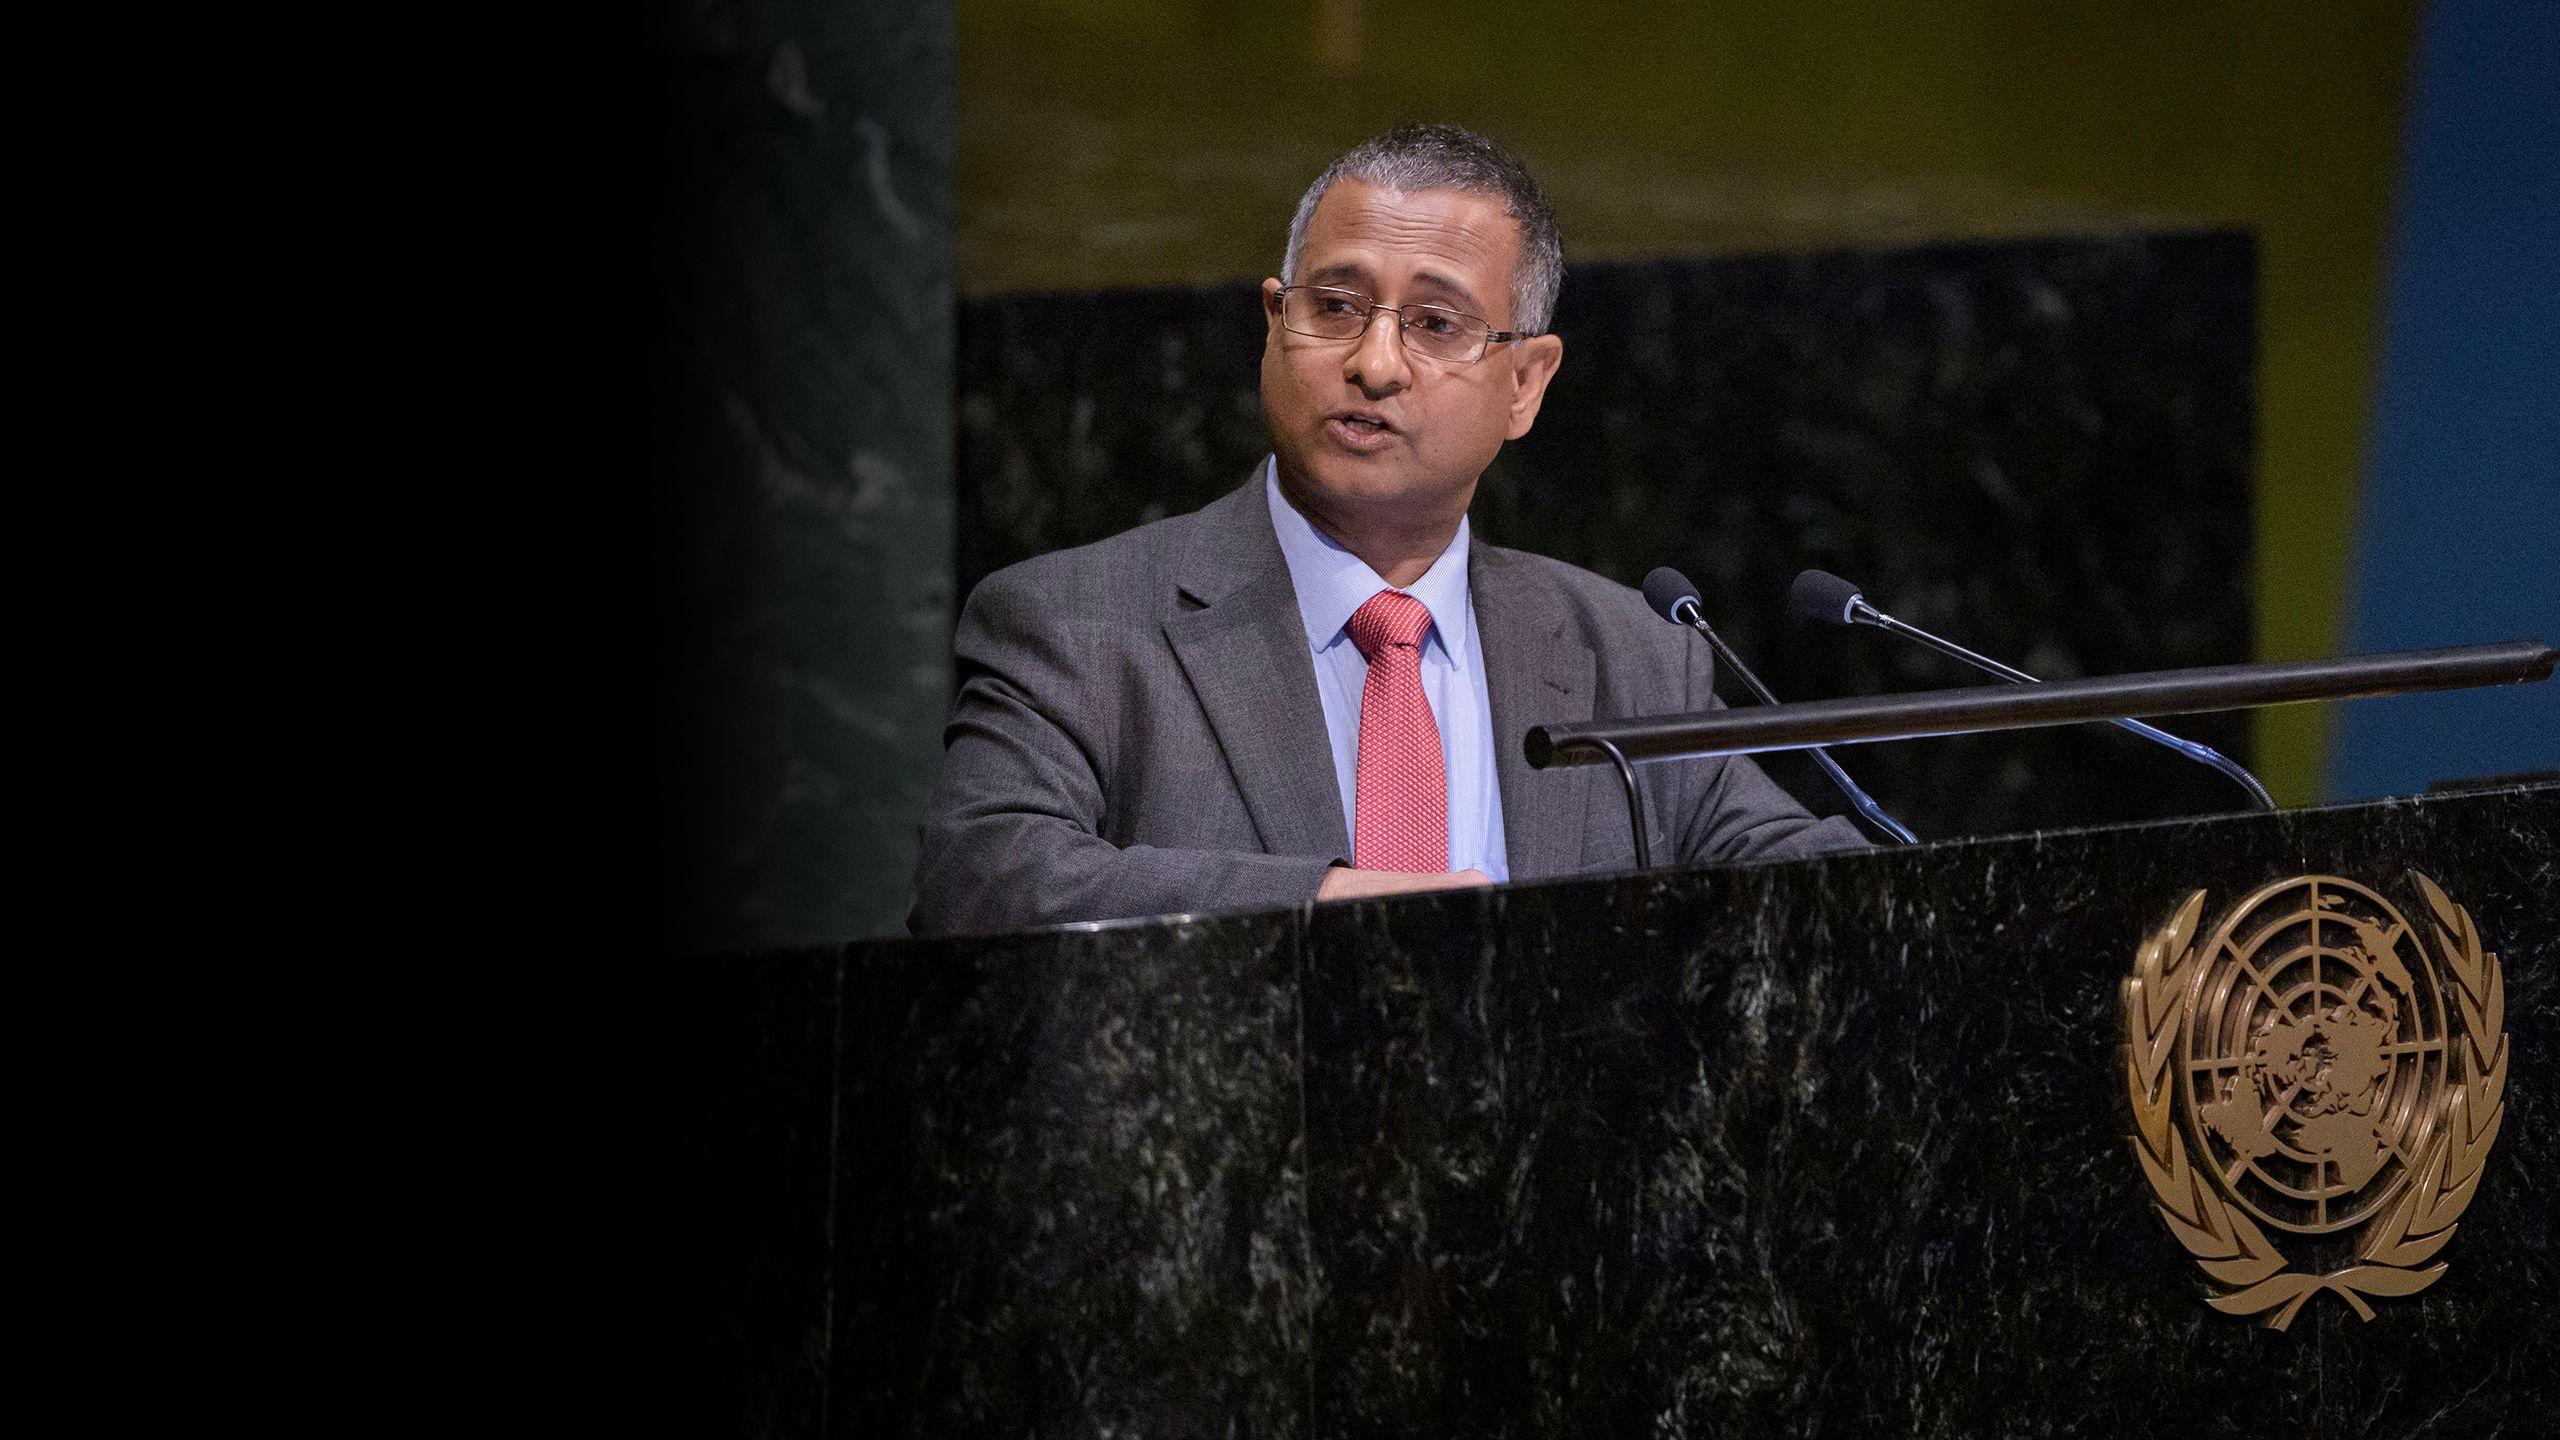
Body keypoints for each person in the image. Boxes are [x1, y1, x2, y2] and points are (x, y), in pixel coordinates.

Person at [911, 124, 1864, 938]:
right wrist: (1330, 908)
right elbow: (982, 879)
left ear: (1526, 384)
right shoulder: (1076, 625)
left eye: (1436, 324)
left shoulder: (1630, 654)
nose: (1374, 364)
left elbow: (1802, 885)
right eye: (1334, 307)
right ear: (1273, 323)